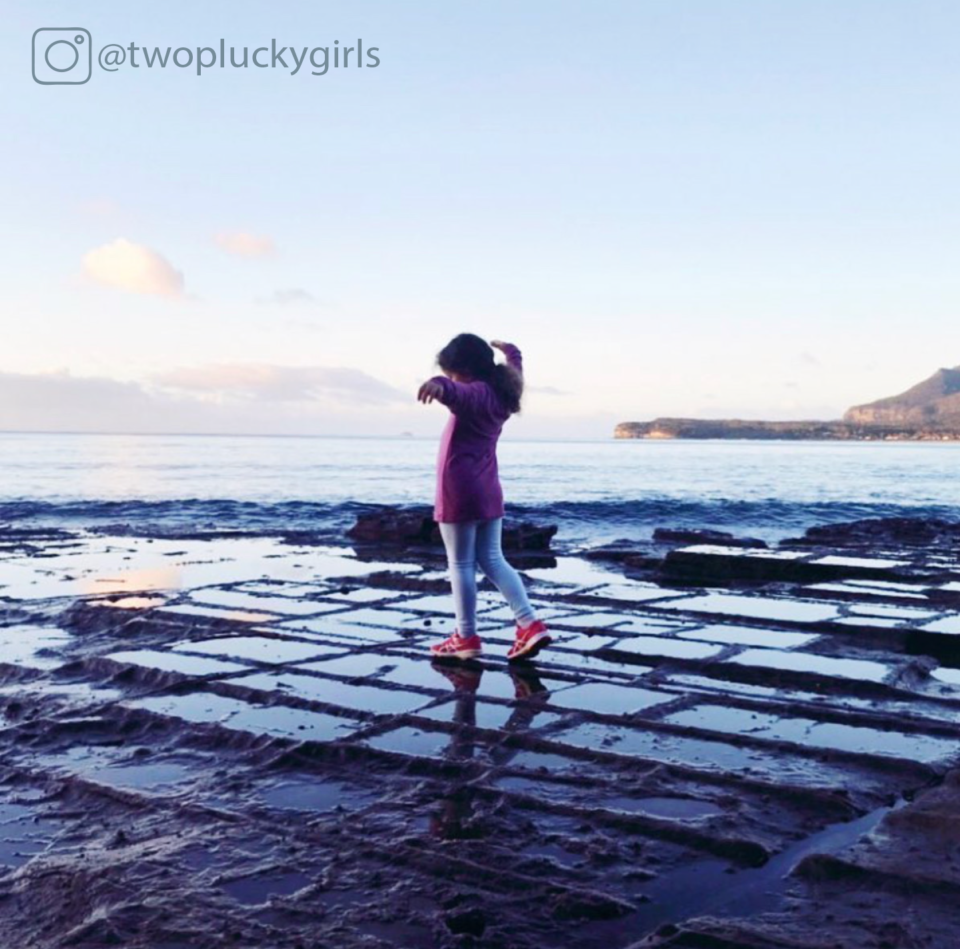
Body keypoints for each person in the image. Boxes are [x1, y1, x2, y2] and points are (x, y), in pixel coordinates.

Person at [417, 334, 551, 662]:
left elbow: (456, 391)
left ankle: (465, 637)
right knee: (492, 558)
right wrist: (510, 350)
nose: (450, 377)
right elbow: (515, 365)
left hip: (459, 488)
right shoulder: (505, 390)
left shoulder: (475, 393)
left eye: (452, 372)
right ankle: (529, 623)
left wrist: (439, 384)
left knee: (461, 563)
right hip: (488, 487)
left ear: (465, 370)